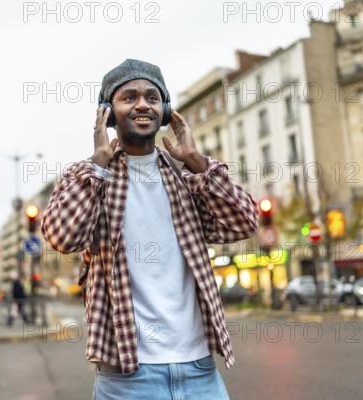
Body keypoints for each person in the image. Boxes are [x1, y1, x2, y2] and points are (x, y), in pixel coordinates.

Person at [42, 59, 259, 399]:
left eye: (152, 97)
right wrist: (98, 164)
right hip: (128, 378)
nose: (142, 103)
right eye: (129, 97)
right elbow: (60, 236)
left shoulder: (187, 175)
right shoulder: (87, 176)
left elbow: (244, 221)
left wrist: (198, 162)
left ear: (166, 110)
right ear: (108, 114)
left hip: (200, 371)